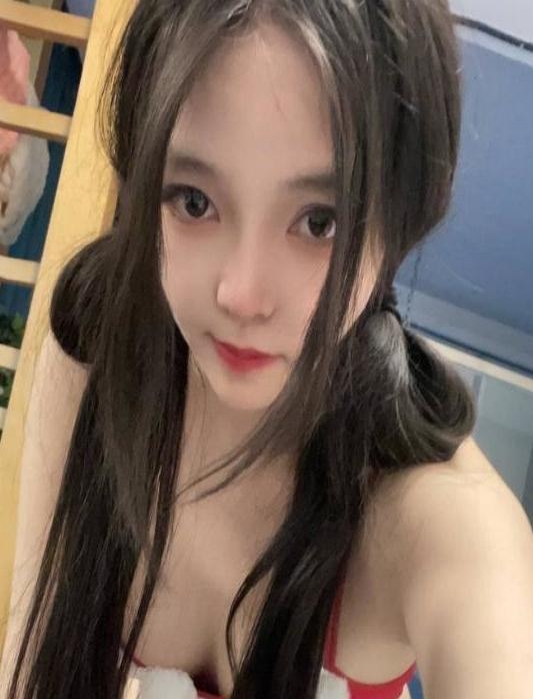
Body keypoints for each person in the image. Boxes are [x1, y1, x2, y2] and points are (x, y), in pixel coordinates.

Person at [1, 1, 532, 698]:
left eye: (319, 221)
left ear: (400, 219)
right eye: (194, 201)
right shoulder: (98, 345)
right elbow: (29, 661)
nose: (242, 294)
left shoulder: (436, 520)